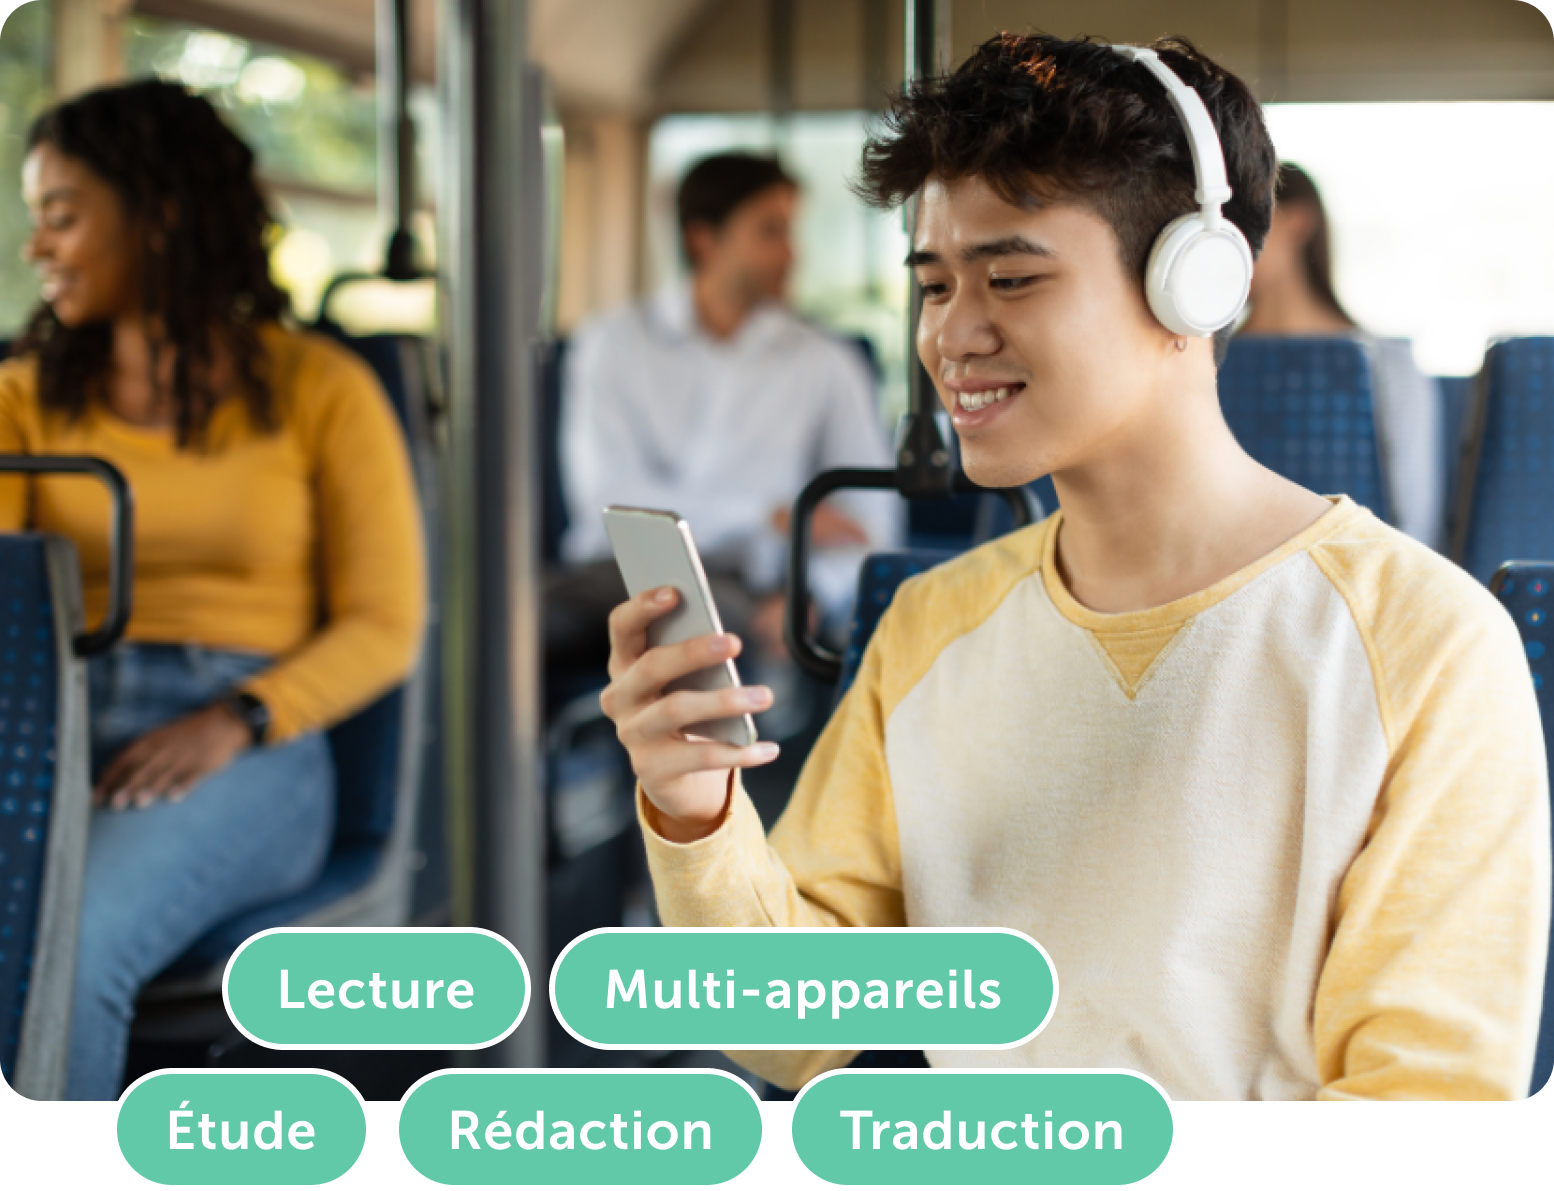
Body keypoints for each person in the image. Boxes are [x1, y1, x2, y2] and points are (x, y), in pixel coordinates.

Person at [600, 34, 1549, 1100]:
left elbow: (1429, 1083)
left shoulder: (1425, 646)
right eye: (933, 285)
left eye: (1009, 276)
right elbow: (791, 1034)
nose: (951, 335)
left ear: (1193, 286)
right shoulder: (930, 626)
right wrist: (696, 809)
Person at [0, 80, 426, 1099]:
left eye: (60, 215)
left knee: (72, 943)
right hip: (50, 720)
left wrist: (237, 718)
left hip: (252, 737)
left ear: (159, 216)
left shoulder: (322, 391)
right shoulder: (20, 397)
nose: (36, 248)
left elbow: (385, 623)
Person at [550, 153, 897, 681]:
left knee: (717, 636)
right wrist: (770, 514)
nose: (791, 253)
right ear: (703, 240)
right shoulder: (611, 346)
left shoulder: (826, 364)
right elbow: (608, 500)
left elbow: (869, 523)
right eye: (770, 232)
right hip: (610, 577)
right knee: (497, 621)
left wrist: (814, 599)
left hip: (750, 587)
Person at [1239, 163, 1446, 551]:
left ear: (1296, 222)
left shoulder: (1388, 367)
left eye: (1238, 221)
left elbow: (1415, 528)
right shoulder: (1197, 364)